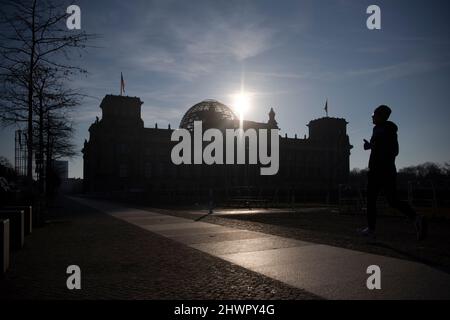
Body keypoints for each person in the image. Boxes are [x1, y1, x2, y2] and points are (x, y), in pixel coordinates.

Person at [359, 105, 427, 240]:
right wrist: (370, 147)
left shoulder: (388, 129)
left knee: (384, 200)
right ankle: (415, 218)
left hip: (384, 169)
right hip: (379, 169)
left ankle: (372, 230)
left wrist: (374, 146)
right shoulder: (376, 129)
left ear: (381, 116)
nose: (372, 116)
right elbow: (377, 147)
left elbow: (394, 150)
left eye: (374, 114)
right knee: (382, 200)